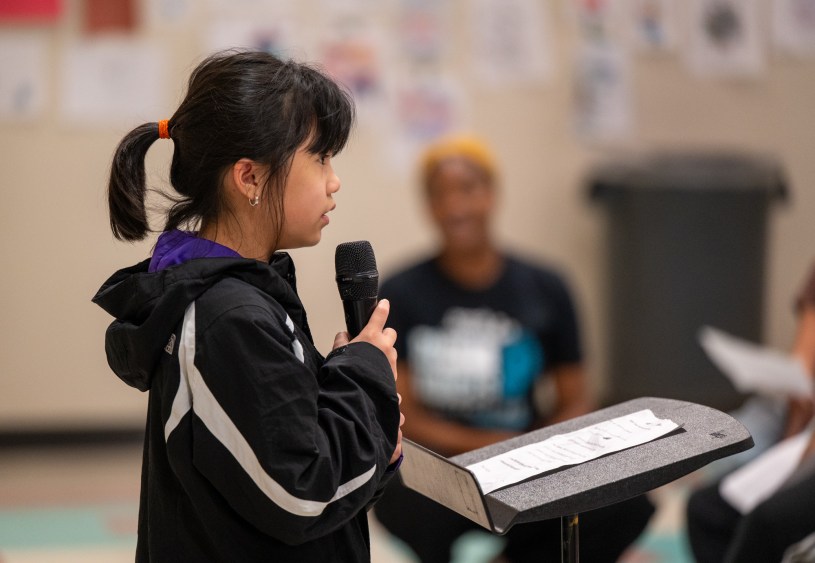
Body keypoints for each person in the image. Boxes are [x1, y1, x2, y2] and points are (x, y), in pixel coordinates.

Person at [91, 51, 404, 563]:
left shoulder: (242, 296)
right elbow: (300, 495)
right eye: (320, 157)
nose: (334, 180)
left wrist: (365, 419)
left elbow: (286, 472)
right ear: (250, 178)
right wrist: (367, 379)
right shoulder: (227, 317)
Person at [372, 135, 655, 563]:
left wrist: (533, 452)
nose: (455, 207)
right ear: (428, 206)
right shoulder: (402, 292)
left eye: (467, 189)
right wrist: (488, 447)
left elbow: (577, 396)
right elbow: (402, 413)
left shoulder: (546, 286)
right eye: (439, 195)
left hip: (527, 463)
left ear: (491, 193)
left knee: (627, 502)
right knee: (390, 490)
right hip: (445, 469)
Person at [686, 262, 815, 563]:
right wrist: (789, 445)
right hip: (796, 418)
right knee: (714, 456)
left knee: (763, 522)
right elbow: (803, 370)